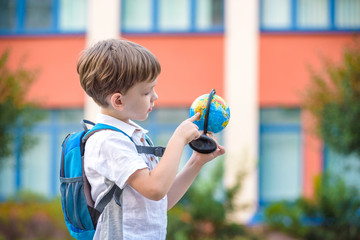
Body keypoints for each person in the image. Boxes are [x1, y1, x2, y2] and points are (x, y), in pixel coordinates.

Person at [77, 39, 225, 239]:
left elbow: (160, 200)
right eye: (146, 92)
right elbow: (155, 189)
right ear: (118, 100)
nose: (155, 96)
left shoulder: (134, 138)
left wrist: (196, 162)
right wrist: (179, 138)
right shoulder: (108, 142)